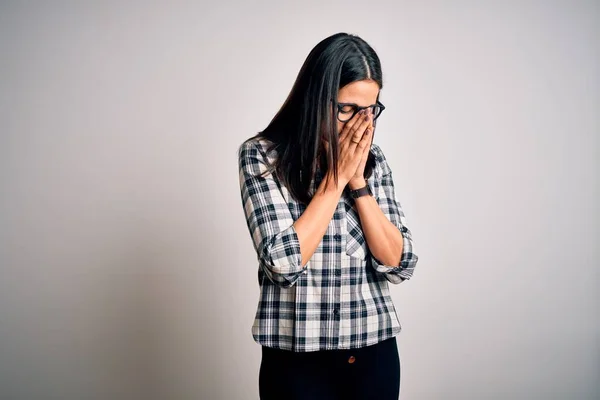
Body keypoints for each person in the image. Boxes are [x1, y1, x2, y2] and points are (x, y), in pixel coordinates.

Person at [237, 32, 419, 400]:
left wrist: (357, 180)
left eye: (371, 110)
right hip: (296, 361)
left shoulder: (374, 161)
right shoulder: (261, 157)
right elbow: (283, 264)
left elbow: (399, 263)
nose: (361, 124)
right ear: (317, 99)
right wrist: (335, 178)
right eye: (348, 109)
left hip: (374, 353)